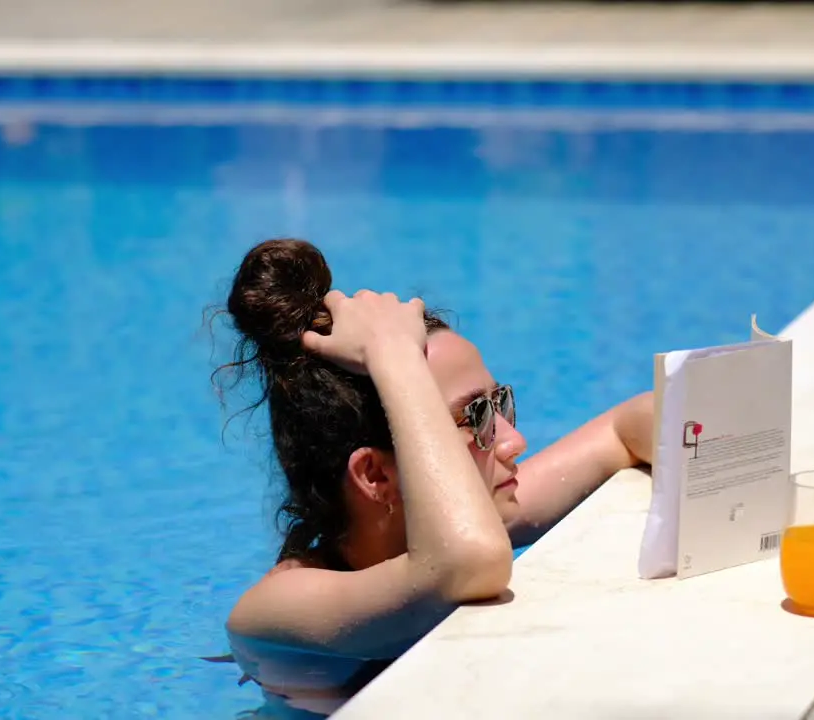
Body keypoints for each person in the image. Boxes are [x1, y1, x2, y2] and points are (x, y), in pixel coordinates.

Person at [214, 238, 653, 711]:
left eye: (500, 403)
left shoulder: (472, 520)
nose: (513, 442)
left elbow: (626, 427)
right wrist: (393, 357)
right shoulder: (276, 608)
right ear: (375, 476)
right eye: (475, 417)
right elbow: (467, 564)